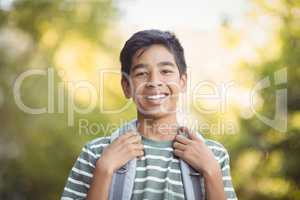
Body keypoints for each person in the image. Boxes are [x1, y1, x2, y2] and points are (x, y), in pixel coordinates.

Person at [61, 29, 237, 200]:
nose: (154, 82)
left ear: (183, 82)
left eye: (166, 71)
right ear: (127, 86)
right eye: (142, 73)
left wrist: (212, 172)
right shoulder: (96, 153)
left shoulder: (213, 155)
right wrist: (104, 170)